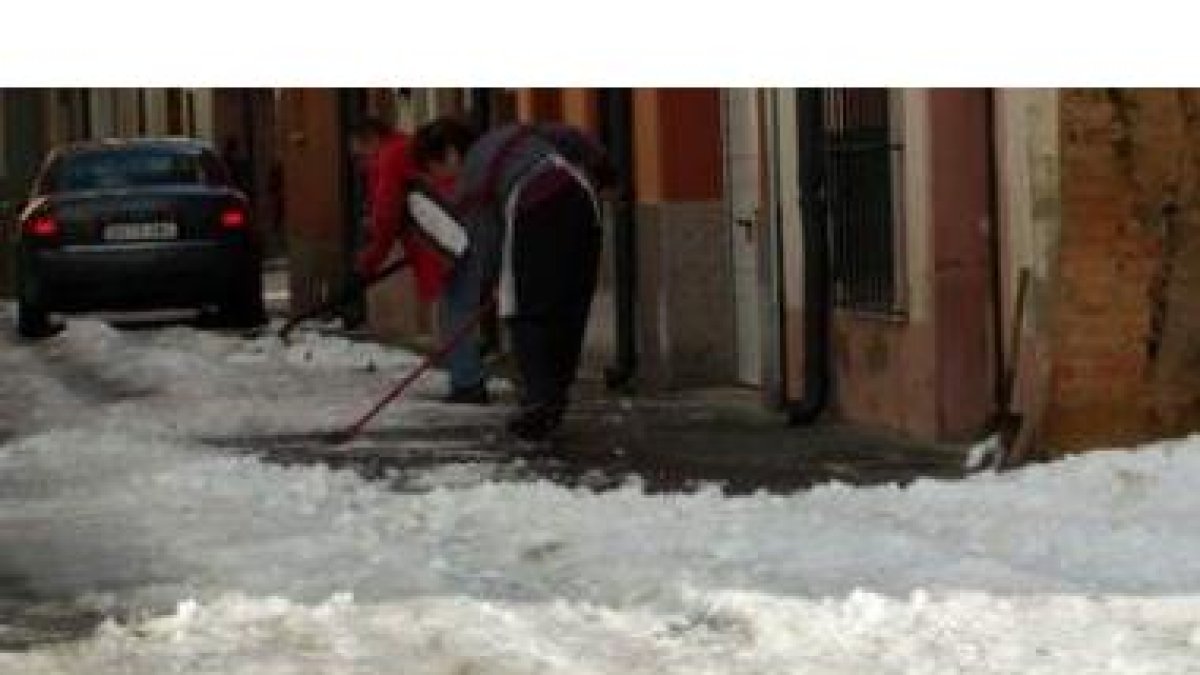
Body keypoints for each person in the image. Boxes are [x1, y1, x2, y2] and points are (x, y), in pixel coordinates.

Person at [411, 117, 615, 441]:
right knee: (569, 304)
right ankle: (554, 395)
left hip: (534, 208)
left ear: (450, 153)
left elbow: (486, 239)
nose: (440, 180)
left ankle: (539, 402)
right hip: (582, 201)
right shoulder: (518, 132)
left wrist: (494, 281)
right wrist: (605, 172)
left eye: (434, 169)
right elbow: (575, 138)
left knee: (526, 312)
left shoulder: (471, 176)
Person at [350, 117, 486, 404]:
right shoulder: (405, 148)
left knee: (456, 312)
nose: (362, 162)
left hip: (449, 240)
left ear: (372, 138)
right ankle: (467, 376)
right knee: (458, 309)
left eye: (362, 153)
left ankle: (468, 382)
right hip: (457, 234)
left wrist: (369, 261)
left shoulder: (391, 158)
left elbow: (385, 216)